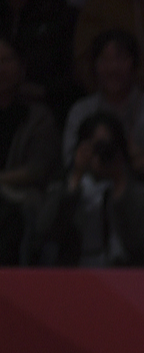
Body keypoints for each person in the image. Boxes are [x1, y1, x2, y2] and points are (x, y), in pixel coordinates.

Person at [27, 108, 144, 264]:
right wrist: (76, 177)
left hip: (122, 277)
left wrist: (120, 183)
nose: (102, 154)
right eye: (96, 147)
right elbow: (44, 232)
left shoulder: (142, 195)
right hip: (74, 274)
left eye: (108, 147)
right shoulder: (63, 189)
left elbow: (142, 245)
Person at [61, 29, 144, 187]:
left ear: (134, 64)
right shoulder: (81, 111)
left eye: (121, 59)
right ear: (95, 66)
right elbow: (71, 162)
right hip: (89, 193)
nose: (113, 68)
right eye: (105, 60)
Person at [0, 30, 59, 262]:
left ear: (21, 68)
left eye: (6, 61)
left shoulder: (38, 117)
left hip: (20, 200)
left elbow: (37, 169)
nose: (0, 69)